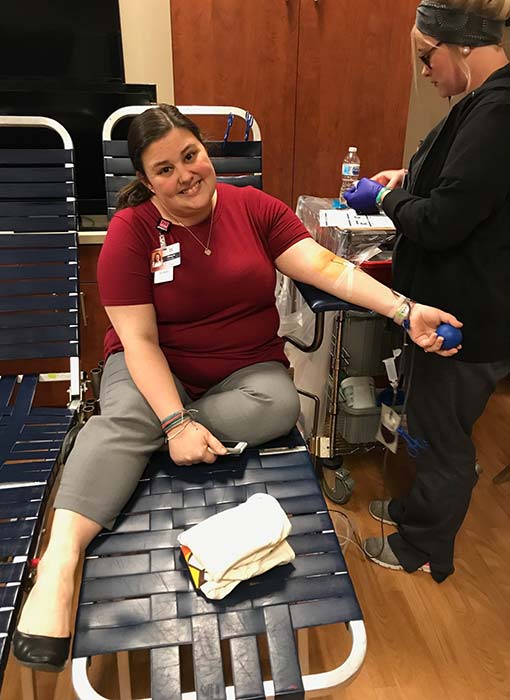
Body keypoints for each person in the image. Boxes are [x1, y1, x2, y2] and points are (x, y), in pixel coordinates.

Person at [12, 104, 461, 672]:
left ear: (206, 150)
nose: (185, 175)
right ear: (147, 181)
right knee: (132, 413)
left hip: (243, 370)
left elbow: (328, 268)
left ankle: (132, 443)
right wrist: (175, 420)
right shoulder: (131, 231)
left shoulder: (253, 208)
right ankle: (59, 564)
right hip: (156, 363)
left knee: (277, 404)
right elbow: (141, 342)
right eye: (165, 170)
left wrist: (406, 309)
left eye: (190, 156)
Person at [344, 0, 510, 583]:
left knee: (442, 440)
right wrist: (404, 179)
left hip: (465, 320)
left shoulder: (499, 112)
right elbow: (464, 190)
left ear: (462, 45)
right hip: (451, 306)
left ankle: (422, 547)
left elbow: (441, 221)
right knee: (427, 423)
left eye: (426, 57)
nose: (423, 72)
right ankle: (417, 511)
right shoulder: (480, 106)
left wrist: (387, 201)